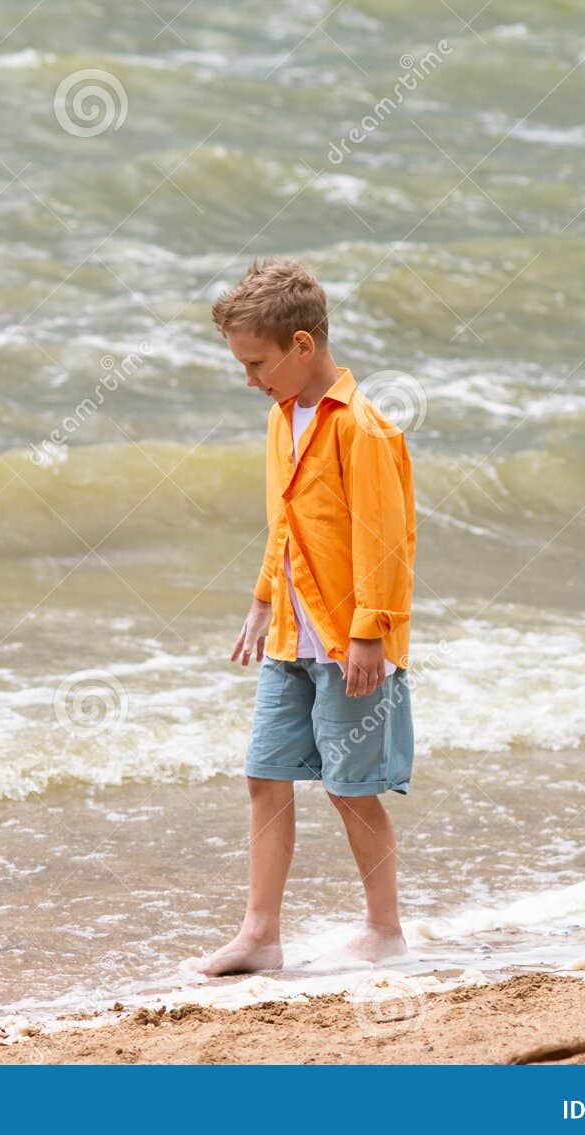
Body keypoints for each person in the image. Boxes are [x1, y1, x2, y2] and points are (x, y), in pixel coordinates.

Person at [197, 257, 417, 976]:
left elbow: (385, 540)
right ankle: (260, 935)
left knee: (351, 788)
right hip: (291, 638)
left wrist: (369, 633)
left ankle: (384, 929)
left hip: (351, 644)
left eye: (256, 363)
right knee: (265, 774)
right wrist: (263, 600)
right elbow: (285, 524)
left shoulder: (363, 428)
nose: (249, 379)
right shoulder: (279, 418)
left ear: (301, 345)